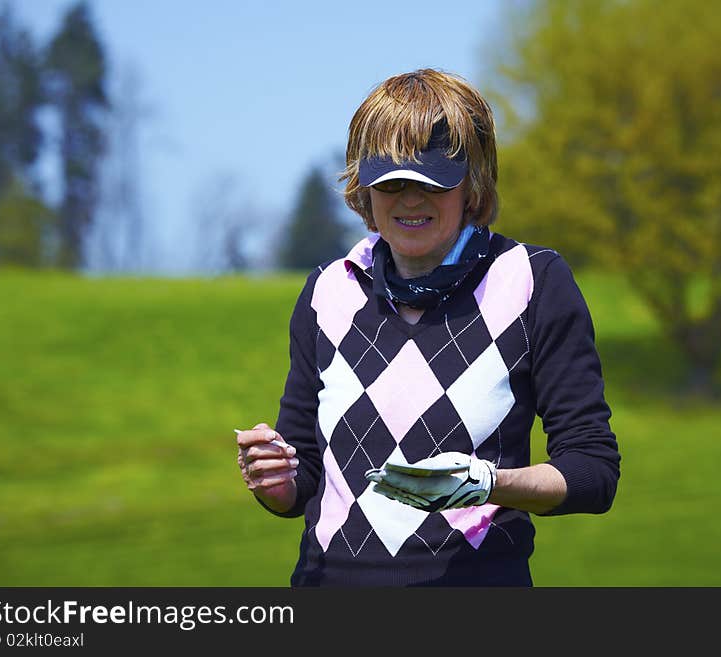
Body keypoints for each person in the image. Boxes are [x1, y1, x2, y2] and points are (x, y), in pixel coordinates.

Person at [236, 68, 621, 586]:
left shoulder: (532, 281)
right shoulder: (327, 291)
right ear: (363, 186)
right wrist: (273, 477)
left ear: (473, 181)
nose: (410, 199)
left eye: (432, 180)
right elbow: (303, 479)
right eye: (391, 182)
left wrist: (487, 484)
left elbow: (592, 471)